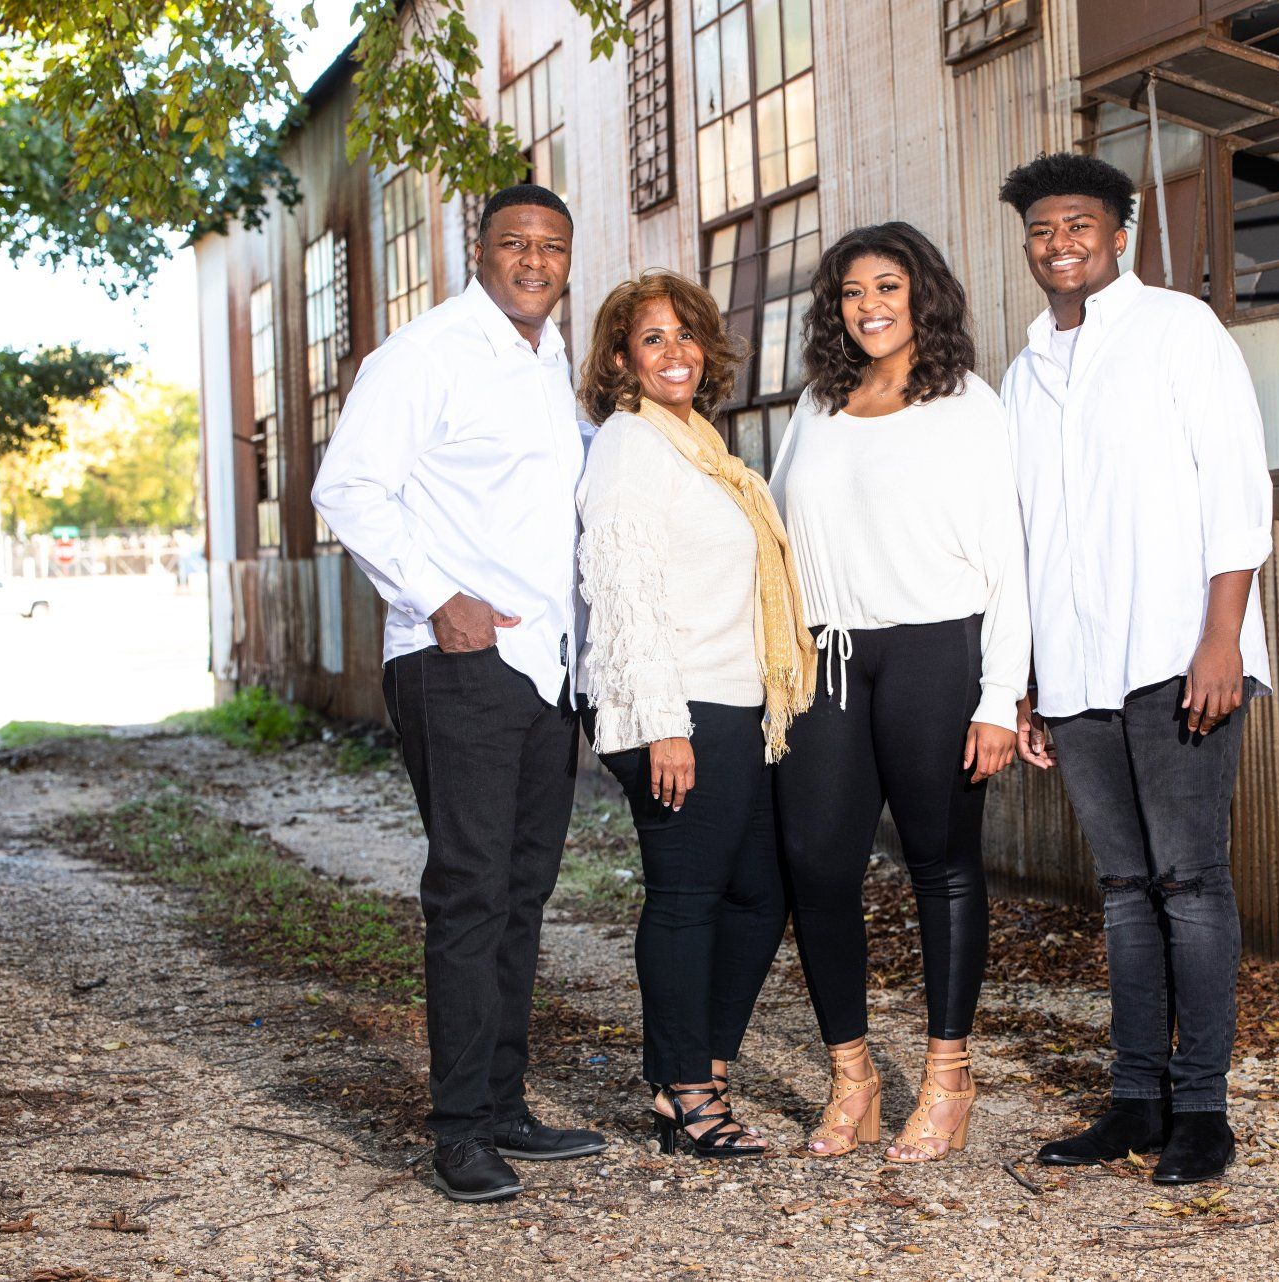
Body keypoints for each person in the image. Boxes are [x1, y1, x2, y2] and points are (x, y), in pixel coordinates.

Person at [311, 183, 607, 1203]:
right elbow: (345, 487)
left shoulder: (552, 358)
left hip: (546, 664)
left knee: (523, 892)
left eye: (553, 246)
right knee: (471, 889)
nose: (535, 260)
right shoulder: (422, 355)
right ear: (476, 251)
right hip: (458, 659)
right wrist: (439, 595)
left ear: (570, 258)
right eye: (515, 243)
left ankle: (505, 1101)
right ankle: (457, 1129)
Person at [997, 154, 1273, 1185]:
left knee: (1190, 883)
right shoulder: (1024, 372)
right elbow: (1024, 535)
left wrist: (1222, 639)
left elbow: (1238, 489)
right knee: (1121, 890)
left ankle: (1202, 1110)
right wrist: (1025, 677)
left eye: (1079, 224)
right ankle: (1134, 1103)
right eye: (1041, 230)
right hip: (1075, 672)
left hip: (1177, 654)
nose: (1059, 243)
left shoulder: (1178, 332)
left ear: (1121, 229)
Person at [770, 222, 1030, 1162]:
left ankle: (948, 1080)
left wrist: (1001, 694)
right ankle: (853, 1079)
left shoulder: (970, 405)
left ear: (922, 293)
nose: (870, 305)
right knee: (817, 863)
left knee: (941, 863)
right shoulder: (817, 405)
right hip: (829, 657)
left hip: (935, 651)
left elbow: (1010, 559)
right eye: (851, 292)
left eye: (888, 285)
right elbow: (777, 533)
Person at [574, 270, 816, 1159]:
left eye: (686, 335)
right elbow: (622, 589)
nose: (674, 352)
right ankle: (686, 1095)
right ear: (620, 359)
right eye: (652, 339)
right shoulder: (631, 447)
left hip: (732, 702)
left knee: (757, 892)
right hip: (676, 708)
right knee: (687, 897)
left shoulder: (698, 445)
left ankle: (698, 1069)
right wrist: (662, 722)